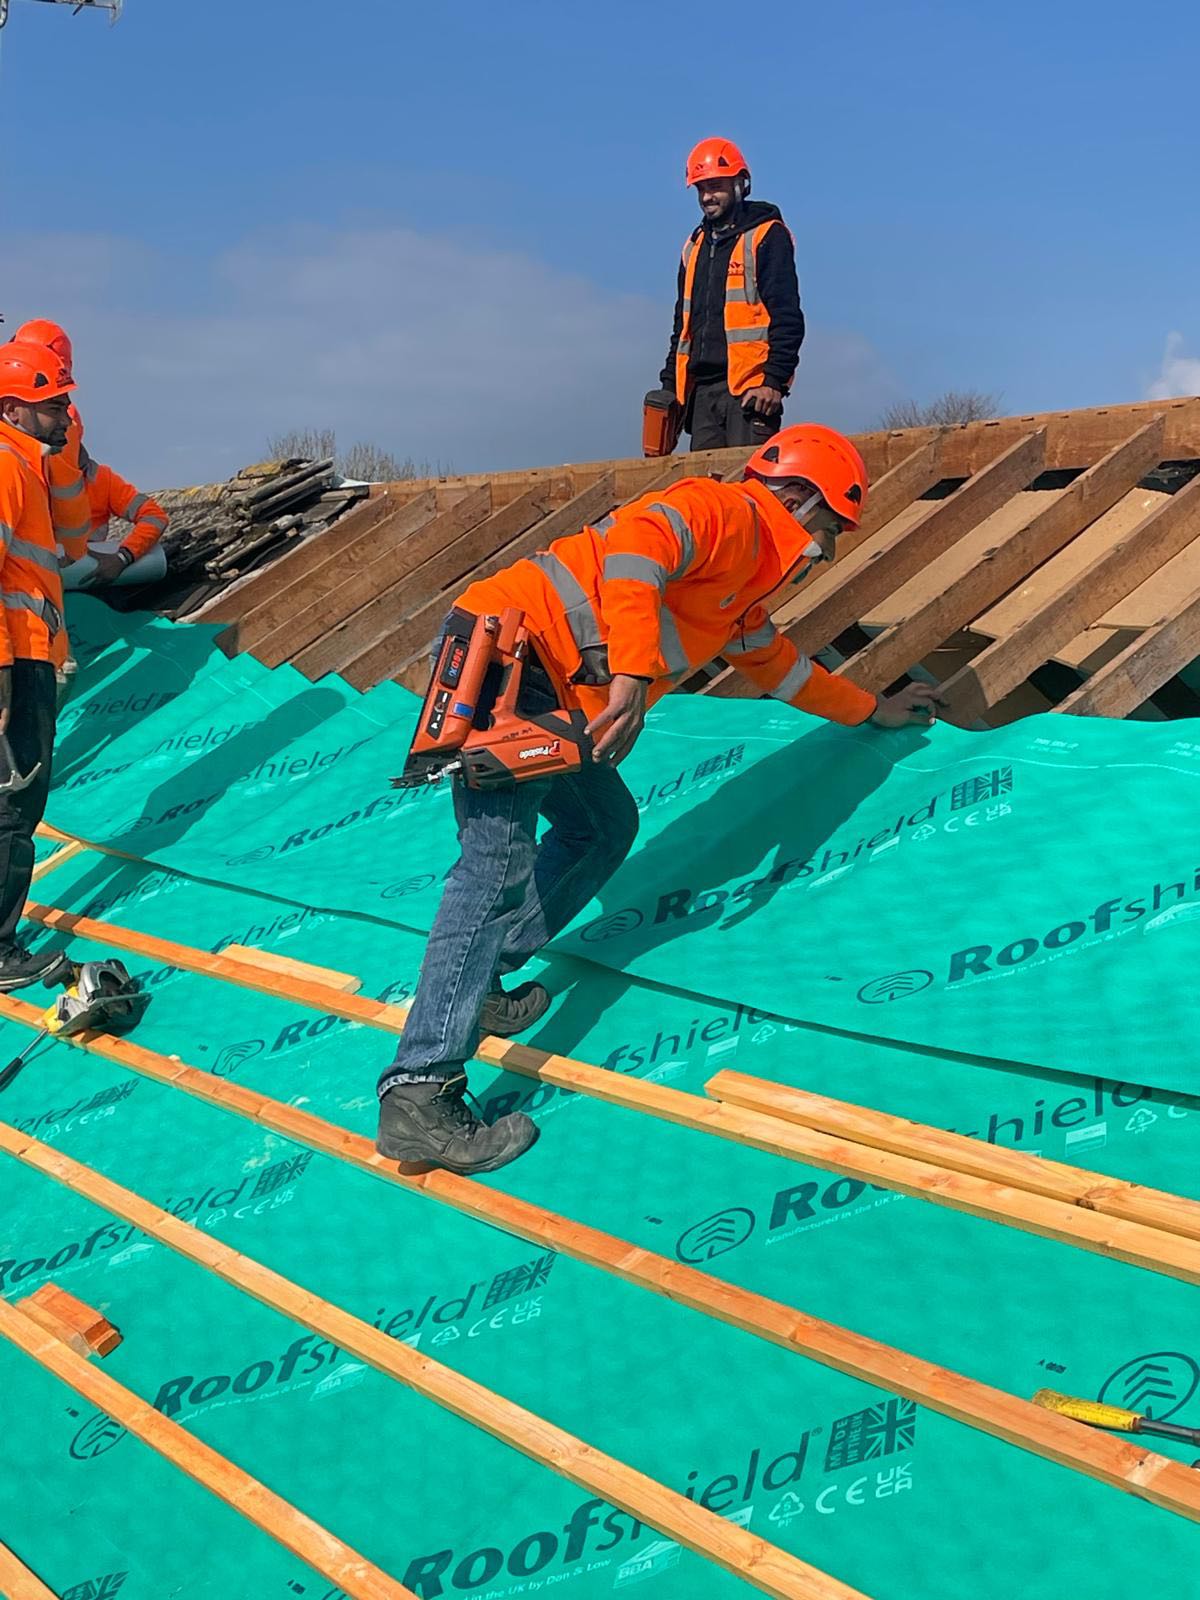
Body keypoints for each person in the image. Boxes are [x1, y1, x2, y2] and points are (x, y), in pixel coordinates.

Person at [376, 424, 942, 1174]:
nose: (823, 551)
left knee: (603, 824)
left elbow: (783, 669)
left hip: (559, 694)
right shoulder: (729, 514)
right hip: (510, 657)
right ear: (801, 500)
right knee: (494, 865)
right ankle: (419, 1091)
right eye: (829, 529)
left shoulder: (736, 597)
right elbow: (637, 549)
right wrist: (634, 677)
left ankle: (479, 986)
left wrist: (874, 711)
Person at [0, 341, 77, 991]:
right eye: (53, 404)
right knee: (15, 801)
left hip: (27, 652)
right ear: (14, 411)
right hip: (13, 658)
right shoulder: (6, 466)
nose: (67, 415)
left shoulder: (23, 466)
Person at [656, 138, 804, 452]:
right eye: (701, 189)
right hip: (702, 395)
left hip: (751, 393)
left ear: (740, 184)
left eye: (716, 186)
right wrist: (670, 389)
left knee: (746, 492)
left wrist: (773, 381)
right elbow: (681, 329)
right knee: (705, 493)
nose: (707, 196)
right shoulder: (694, 247)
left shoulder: (766, 235)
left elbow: (787, 317)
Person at [11, 320, 169, 589]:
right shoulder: (22, 471)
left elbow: (155, 515)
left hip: (78, 584)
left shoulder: (100, 480)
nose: (62, 424)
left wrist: (122, 557)